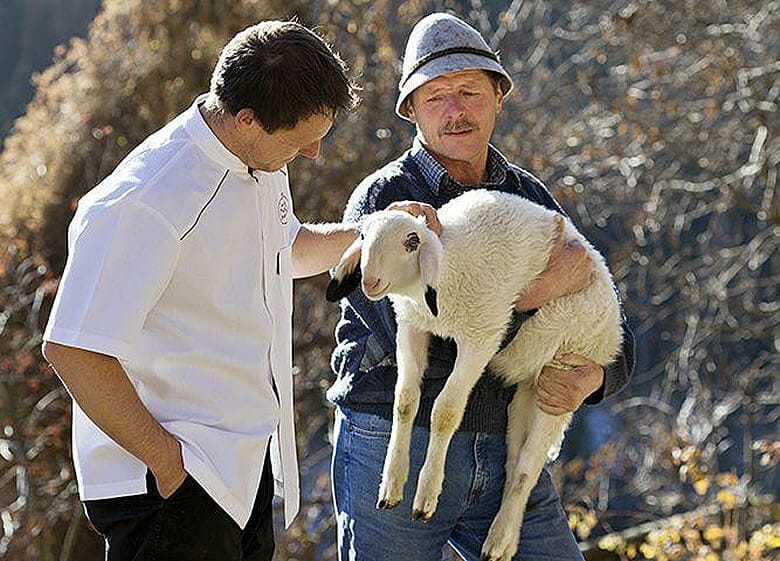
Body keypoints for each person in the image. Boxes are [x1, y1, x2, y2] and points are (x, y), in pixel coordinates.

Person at [40, 20, 440, 561]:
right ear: (246, 118)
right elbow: (74, 348)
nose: (315, 153)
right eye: (302, 139)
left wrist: (372, 230)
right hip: (171, 489)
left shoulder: (259, 153)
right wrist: (167, 464)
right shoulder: (141, 204)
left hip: (239, 472)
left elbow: (287, 247)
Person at [328, 13, 635, 561]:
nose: (455, 110)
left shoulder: (527, 197)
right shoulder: (386, 201)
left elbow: (599, 302)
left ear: (498, 96)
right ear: (412, 113)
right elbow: (415, 330)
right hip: (394, 441)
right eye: (435, 97)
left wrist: (598, 375)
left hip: (502, 449)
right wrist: (537, 294)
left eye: (469, 90)